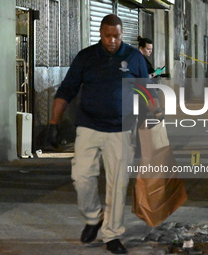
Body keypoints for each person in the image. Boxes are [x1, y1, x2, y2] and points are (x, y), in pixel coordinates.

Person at [48, 14, 158, 254]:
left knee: (118, 185)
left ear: (122, 34)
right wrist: (53, 123)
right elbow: (66, 90)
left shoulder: (134, 57)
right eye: (107, 36)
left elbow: (148, 95)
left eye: (116, 36)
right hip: (88, 126)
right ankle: (93, 216)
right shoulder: (86, 57)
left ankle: (112, 235)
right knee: (81, 177)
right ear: (101, 34)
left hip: (121, 129)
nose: (111, 41)